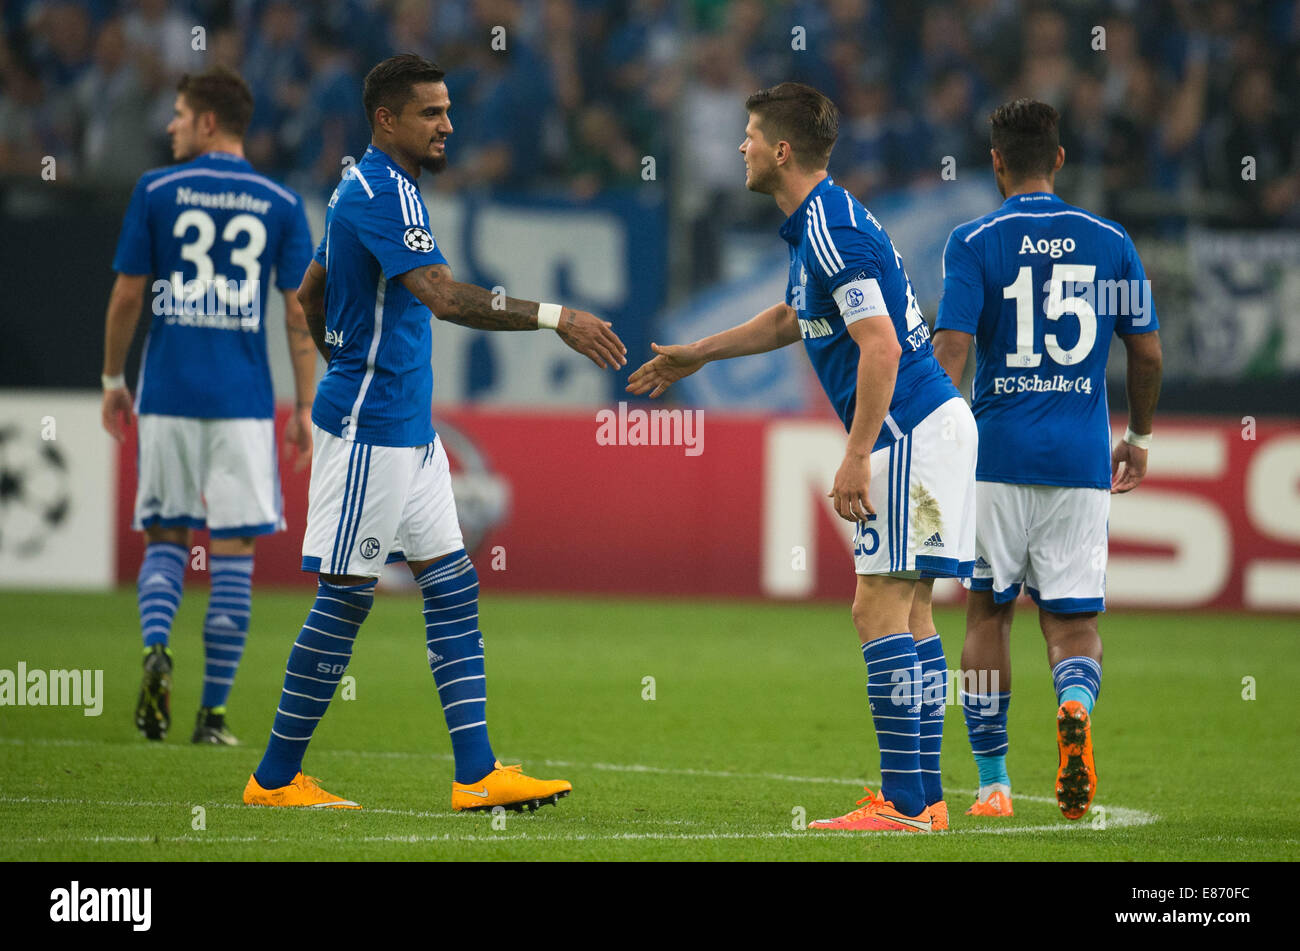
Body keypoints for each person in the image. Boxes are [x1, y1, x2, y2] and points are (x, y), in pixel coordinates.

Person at [242, 53, 627, 811]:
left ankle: (476, 773)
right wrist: (558, 317)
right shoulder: (383, 192)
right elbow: (444, 297)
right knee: (347, 596)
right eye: (431, 112)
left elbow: (311, 292)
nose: (449, 124)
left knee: (451, 587)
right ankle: (274, 779)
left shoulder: (371, 186)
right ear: (386, 119)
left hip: (406, 432)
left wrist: (339, 354)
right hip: (371, 430)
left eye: (449, 110)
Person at [628, 82, 976, 833]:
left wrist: (856, 454)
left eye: (750, 135)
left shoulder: (830, 229)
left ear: (781, 150)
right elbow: (794, 315)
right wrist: (700, 352)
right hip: (935, 424)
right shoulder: (823, 222)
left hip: (908, 428)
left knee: (875, 606)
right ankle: (924, 800)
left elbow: (878, 346)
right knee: (910, 611)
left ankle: (904, 803)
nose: (741, 148)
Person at [931, 99, 1162, 820]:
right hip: (1080, 459)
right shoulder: (1111, 241)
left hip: (995, 455)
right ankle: (1072, 703)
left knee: (985, 613)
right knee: (1071, 626)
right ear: (1059, 159)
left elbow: (953, 348)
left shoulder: (972, 241)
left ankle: (995, 783)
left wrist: (936, 437)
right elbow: (1147, 350)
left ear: (995, 162)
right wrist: (1141, 438)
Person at [102, 66, 317, 746]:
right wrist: (305, 405)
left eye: (178, 113)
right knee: (233, 552)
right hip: (243, 403)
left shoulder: (155, 191)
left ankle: (156, 647)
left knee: (166, 535)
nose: (170, 125)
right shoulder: (281, 203)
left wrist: (113, 377)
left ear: (207, 123)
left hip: (166, 394)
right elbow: (298, 313)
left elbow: (129, 296)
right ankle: (212, 716)